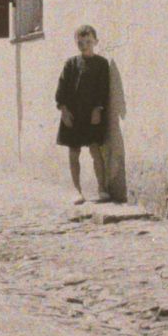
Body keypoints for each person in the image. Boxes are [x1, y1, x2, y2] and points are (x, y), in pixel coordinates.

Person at [55, 24, 117, 204]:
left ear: (95, 42)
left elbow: (103, 89)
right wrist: (64, 110)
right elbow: (62, 88)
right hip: (72, 114)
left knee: (95, 150)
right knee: (74, 152)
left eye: (88, 41)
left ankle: (102, 188)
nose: (84, 45)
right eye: (80, 42)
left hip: (91, 114)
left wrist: (97, 109)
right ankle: (77, 190)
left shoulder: (101, 64)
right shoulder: (70, 64)